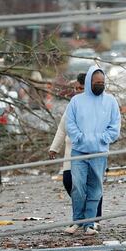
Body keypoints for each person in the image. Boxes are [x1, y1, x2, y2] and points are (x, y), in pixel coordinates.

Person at [64, 66, 121, 236]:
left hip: (99, 152)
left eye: (102, 83)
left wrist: (102, 139)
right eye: (97, 83)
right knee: (78, 187)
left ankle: (90, 224)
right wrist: (80, 138)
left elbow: (115, 126)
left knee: (95, 188)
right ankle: (77, 221)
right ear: (89, 82)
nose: (100, 85)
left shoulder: (110, 101)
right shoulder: (76, 101)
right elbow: (70, 124)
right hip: (79, 152)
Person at [49, 74, 103, 224]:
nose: (78, 91)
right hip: (70, 152)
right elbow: (62, 127)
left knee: (93, 186)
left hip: (91, 152)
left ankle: (94, 220)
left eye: (81, 88)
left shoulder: (97, 104)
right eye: (76, 88)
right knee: (69, 182)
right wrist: (54, 148)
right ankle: (83, 215)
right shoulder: (73, 104)